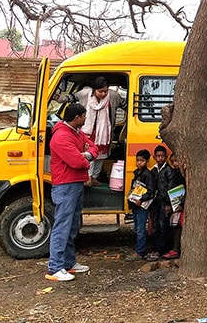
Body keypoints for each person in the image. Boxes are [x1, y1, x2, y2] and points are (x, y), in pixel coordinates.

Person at [46, 103, 97, 281]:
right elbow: (77, 162)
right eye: (84, 116)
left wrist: (87, 154)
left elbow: (93, 147)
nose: (85, 119)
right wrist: (85, 157)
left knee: (72, 225)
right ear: (77, 118)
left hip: (75, 183)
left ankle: (68, 262)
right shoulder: (61, 137)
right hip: (65, 184)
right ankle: (55, 267)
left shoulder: (76, 133)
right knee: (63, 225)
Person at [73, 76, 126, 187]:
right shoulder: (86, 93)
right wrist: (58, 97)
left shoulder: (113, 96)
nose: (103, 94)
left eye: (105, 91)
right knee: (89, 155)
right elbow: (72, 97)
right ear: (94, 89)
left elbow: (126, 105)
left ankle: (95, 177)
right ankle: (87, 177)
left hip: (104, 134)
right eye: (100, 91)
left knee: (101, 156)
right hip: (88, 132)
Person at [147, 145, 177, 260]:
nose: (160, 158)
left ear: (166, 157)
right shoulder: (154, 170)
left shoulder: (169, 171)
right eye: (158, 156)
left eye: (162, 156)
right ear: (154, 157)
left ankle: (161, 250)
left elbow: (171, 188)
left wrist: (169, 204)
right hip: (156, 202)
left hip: (165, 203)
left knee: (163, 225)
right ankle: (156, 249)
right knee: (156, 226)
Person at [127, 149, 156, 261]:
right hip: (135, 205)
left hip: (142, 206)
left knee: (140, 230)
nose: (139, 163)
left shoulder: (148, 175)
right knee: (137, 228)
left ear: (147, 161)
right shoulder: (137, 172)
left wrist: (141, 199)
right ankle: (139, 250)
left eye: (142, 161)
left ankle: (140, 251)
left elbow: (151, 191)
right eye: (137, 160)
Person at [164, 152, 186, 259]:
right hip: (176, 204)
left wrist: (182, 204)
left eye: (177, 161)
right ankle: (176, 249)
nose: (175, 164)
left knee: (180, 227)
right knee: (176, 227)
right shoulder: (176, 173)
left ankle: (177, 249)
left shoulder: (185, 175)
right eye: (173, 162)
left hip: (183, 205)